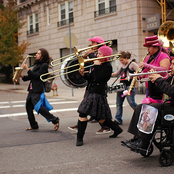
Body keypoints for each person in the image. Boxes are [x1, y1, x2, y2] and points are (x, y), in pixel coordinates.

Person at [121, 56, 174, 150]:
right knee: (140, 107)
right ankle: (137, 138)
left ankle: (144, 142)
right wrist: (152, 77)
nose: (171, 67)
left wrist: (159, 79)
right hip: (168, 105)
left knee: (151, 108)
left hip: (172, 107)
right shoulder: (171, 77)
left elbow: (171, 91)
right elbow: (158, 91)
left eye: (173, 64)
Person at [76, 45, 123, 146]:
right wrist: (84, 75)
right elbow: (92, 78)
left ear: (105, 56)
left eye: (100, 53)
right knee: (83, 113)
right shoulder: (97, 64)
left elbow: (98, 79)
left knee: (100, 118)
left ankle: (117, 129)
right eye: (98, 53)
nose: (97, 55)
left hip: (98, 94)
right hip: (90, 92)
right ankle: (79, 138)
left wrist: (96, 66)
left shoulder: (107, 67)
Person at [68, 36, 111, 134]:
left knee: (98, 108)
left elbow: (96, 64)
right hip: (92, 84)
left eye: (93, 43)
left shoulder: (100, 54)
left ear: (98, 44)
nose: (91, 45)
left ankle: (107, 126)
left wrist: (90, 54)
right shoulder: (95, 53)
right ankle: (81, 124)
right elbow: (91, 67)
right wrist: (84, 59)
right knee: (91, 107)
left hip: (99, 86)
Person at [21, 48, 60, 131]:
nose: (36, 55)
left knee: (39, 108)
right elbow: (31, 76)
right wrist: (22, 77)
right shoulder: (37, 65)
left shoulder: (44, 65)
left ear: (42, 56)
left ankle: (55, 120)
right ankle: (34, 125)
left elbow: (38, 76)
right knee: (28, 108)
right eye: (37, 53)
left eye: (38, 54)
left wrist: (27, 69)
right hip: (31, 90)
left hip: (37, 90)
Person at [138, 35, 170, 104]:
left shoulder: (163, 55)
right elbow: (145, 72)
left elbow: (164, 71)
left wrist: (147, 65)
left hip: (160, 91)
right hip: (150, 90)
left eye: (149, 47)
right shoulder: (148, 58)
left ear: (156, 47)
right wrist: (139, 76)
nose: (147, 49)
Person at [111, 51, 138, 125]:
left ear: (126, 58)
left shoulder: (132, 64)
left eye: (122, 60)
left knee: (131, 103)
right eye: (120, 60)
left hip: (129, 86)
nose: (121, 62)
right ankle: (118, 119)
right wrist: (110, 73)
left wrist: (130, 76)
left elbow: (139, 72)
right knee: (118, 103)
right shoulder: (122, 66)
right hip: (121, 87)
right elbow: (117, 73)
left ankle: (141, 114)